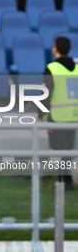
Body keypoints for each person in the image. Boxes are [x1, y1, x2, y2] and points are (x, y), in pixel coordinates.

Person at [38, 36, 78, 191]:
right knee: (67, 150)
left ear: (55, 48)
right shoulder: (76, 68)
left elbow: (45, 95)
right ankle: (65, 180)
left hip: (57, 116)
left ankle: (64, 181)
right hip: (74, 116)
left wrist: (41, 115)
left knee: (60, 149)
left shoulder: (52, 68)